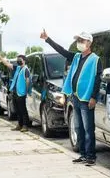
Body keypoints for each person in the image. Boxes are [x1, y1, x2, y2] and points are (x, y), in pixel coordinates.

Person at [40, 29, 103, 166]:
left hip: (86, 98)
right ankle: (83, 154)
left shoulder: (95, 59)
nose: (79, 43)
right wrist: (48, 39)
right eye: (78, 40)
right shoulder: (76, 57)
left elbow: (98, 79)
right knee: (78, 127)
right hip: (75, 97)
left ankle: (91, 156)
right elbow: (61, 50)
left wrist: (94, 97)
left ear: (89, 43)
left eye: (82, 40)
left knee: (88, 128)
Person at [0, 54, 31, 131]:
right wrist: (0, 57)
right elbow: (7, 64)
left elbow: (27, 81)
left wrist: (26, 92)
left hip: (21, 93)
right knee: (17, 109)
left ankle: (25, 125)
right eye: (17, 59)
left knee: (23, 109)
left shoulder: (26, 69)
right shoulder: (18, 68)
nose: (18, 61)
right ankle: (19, 125)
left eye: (19, 59)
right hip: (15, 92)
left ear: (24, 60)